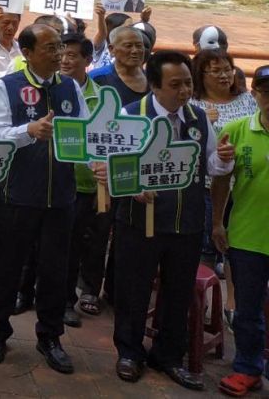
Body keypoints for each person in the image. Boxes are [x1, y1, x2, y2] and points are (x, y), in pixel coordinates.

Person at [111, 50, 234, 390]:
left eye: (188, 83)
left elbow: (212, 166)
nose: (183, 91)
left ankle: (167, 356)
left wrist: (224, 159)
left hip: (187, 222)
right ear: (154, 86)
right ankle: (129, 352)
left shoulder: (197, 117)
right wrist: (133, 185)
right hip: (141, 222)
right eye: (175, 84)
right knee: (134, 289)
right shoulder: (132, 115)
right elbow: (114, 163)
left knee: (178, 293)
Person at [0, 24, 83, 373]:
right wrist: (29, 130)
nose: (59, 54)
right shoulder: (6, 87)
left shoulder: (70, 87)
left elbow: (83, 134)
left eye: (60, 47)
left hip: (62, 198)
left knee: (55, 270)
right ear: (27, 53)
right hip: (17, 194)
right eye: (50, 48)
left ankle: (50, 337)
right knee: (7, 267)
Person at [211, 65, 269, 397]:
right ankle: (247, 368)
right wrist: (218, 221)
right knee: (248, 309)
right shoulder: (236, 130)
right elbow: (220, 180)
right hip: (247, 235)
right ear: (255, 94)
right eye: (266, 91)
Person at [191, 48, 257, 278]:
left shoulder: (248, 100)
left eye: (227, 69)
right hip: (209, 187)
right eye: (216, 70)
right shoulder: (193, 105)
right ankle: (204, 303)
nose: (224, 75)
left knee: (235, 246)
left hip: (244, 186)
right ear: (201, 75)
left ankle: (230, 304)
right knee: (209, 243)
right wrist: (200, 122)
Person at [58, 32, 109, 325]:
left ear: (88, 60)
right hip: (62, 183)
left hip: (94, 183)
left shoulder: (102, 97)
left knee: (88, 242)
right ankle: (55, 298)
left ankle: (80, 296)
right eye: (61, 53)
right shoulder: (54, 91)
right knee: (62, 244)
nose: (65, 59)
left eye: (72, 55)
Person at [93, 25, 148, 105]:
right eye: (128, 46)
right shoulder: (97, 78)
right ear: (112, 49)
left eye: (139, 46)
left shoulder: (154, 79)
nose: (135, 51)